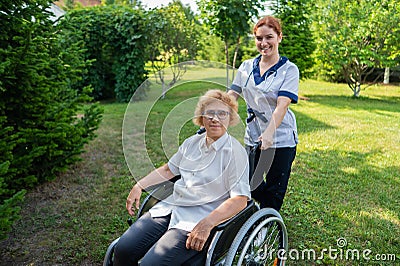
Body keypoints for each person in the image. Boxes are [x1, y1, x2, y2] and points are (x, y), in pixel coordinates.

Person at [113, 89, 251, 266]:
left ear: (230, 119)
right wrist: (140, 185)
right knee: (123, 249)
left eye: (222, 114)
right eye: (210, 113)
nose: (215, 119)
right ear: (201, 118)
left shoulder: (235, 153)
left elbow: (240, 200)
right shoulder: (191, 143)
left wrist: (207, 224)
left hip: (198, 217)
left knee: (150, 264)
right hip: (171, 208)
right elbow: (168, 170)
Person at [228, 16, 299, 212]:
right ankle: (260, 208)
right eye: (259, 38)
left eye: (269, 37)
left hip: (281, 137)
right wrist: (216, 113)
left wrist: (269, 133)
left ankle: (268, 222)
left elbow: (282, 105)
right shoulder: (246, 67)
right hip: (252, 135)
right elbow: (232, 95)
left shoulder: (289, 70)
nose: (264, 43)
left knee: (276, 186)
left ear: (279, 37)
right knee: (248, 181)